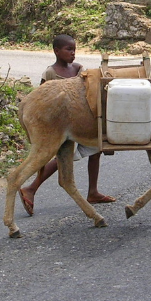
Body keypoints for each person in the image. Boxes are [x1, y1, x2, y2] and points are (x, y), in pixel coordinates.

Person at [18, 34, 116, 216]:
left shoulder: (79, 69)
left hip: (80, 119)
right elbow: (42, 97)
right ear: (56, 51)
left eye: (74, 50)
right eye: (69, 50)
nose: (73, 54)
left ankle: (92, 191)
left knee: (96, 150)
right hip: (60, 123)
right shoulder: (50, 73)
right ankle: (31, 188)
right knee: (62, 158)